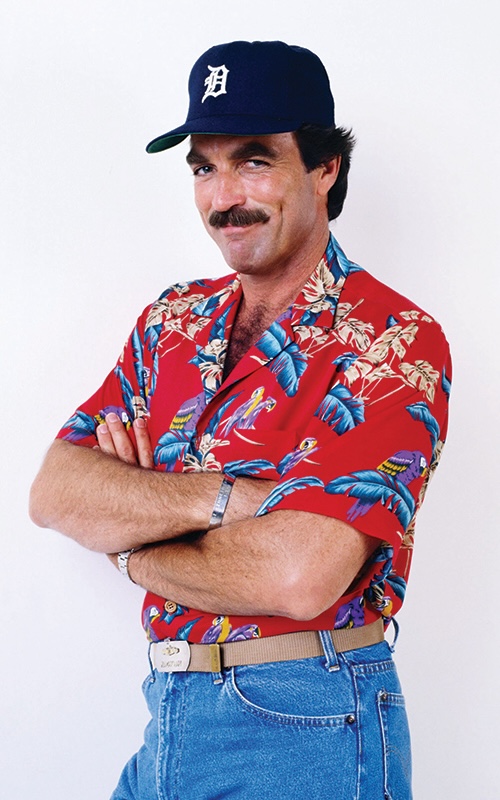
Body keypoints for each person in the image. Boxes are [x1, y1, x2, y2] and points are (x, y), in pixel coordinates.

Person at [30, 40, 451, 799]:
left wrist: (131, 545)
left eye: (254, 161)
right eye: (204, 167)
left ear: (325, 168)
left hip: (309, 722)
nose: (224, 197)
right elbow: (57, 492)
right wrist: (230, 500)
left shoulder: (391, 340)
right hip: (168, 712)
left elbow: (300, 575)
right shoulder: (172, 322)